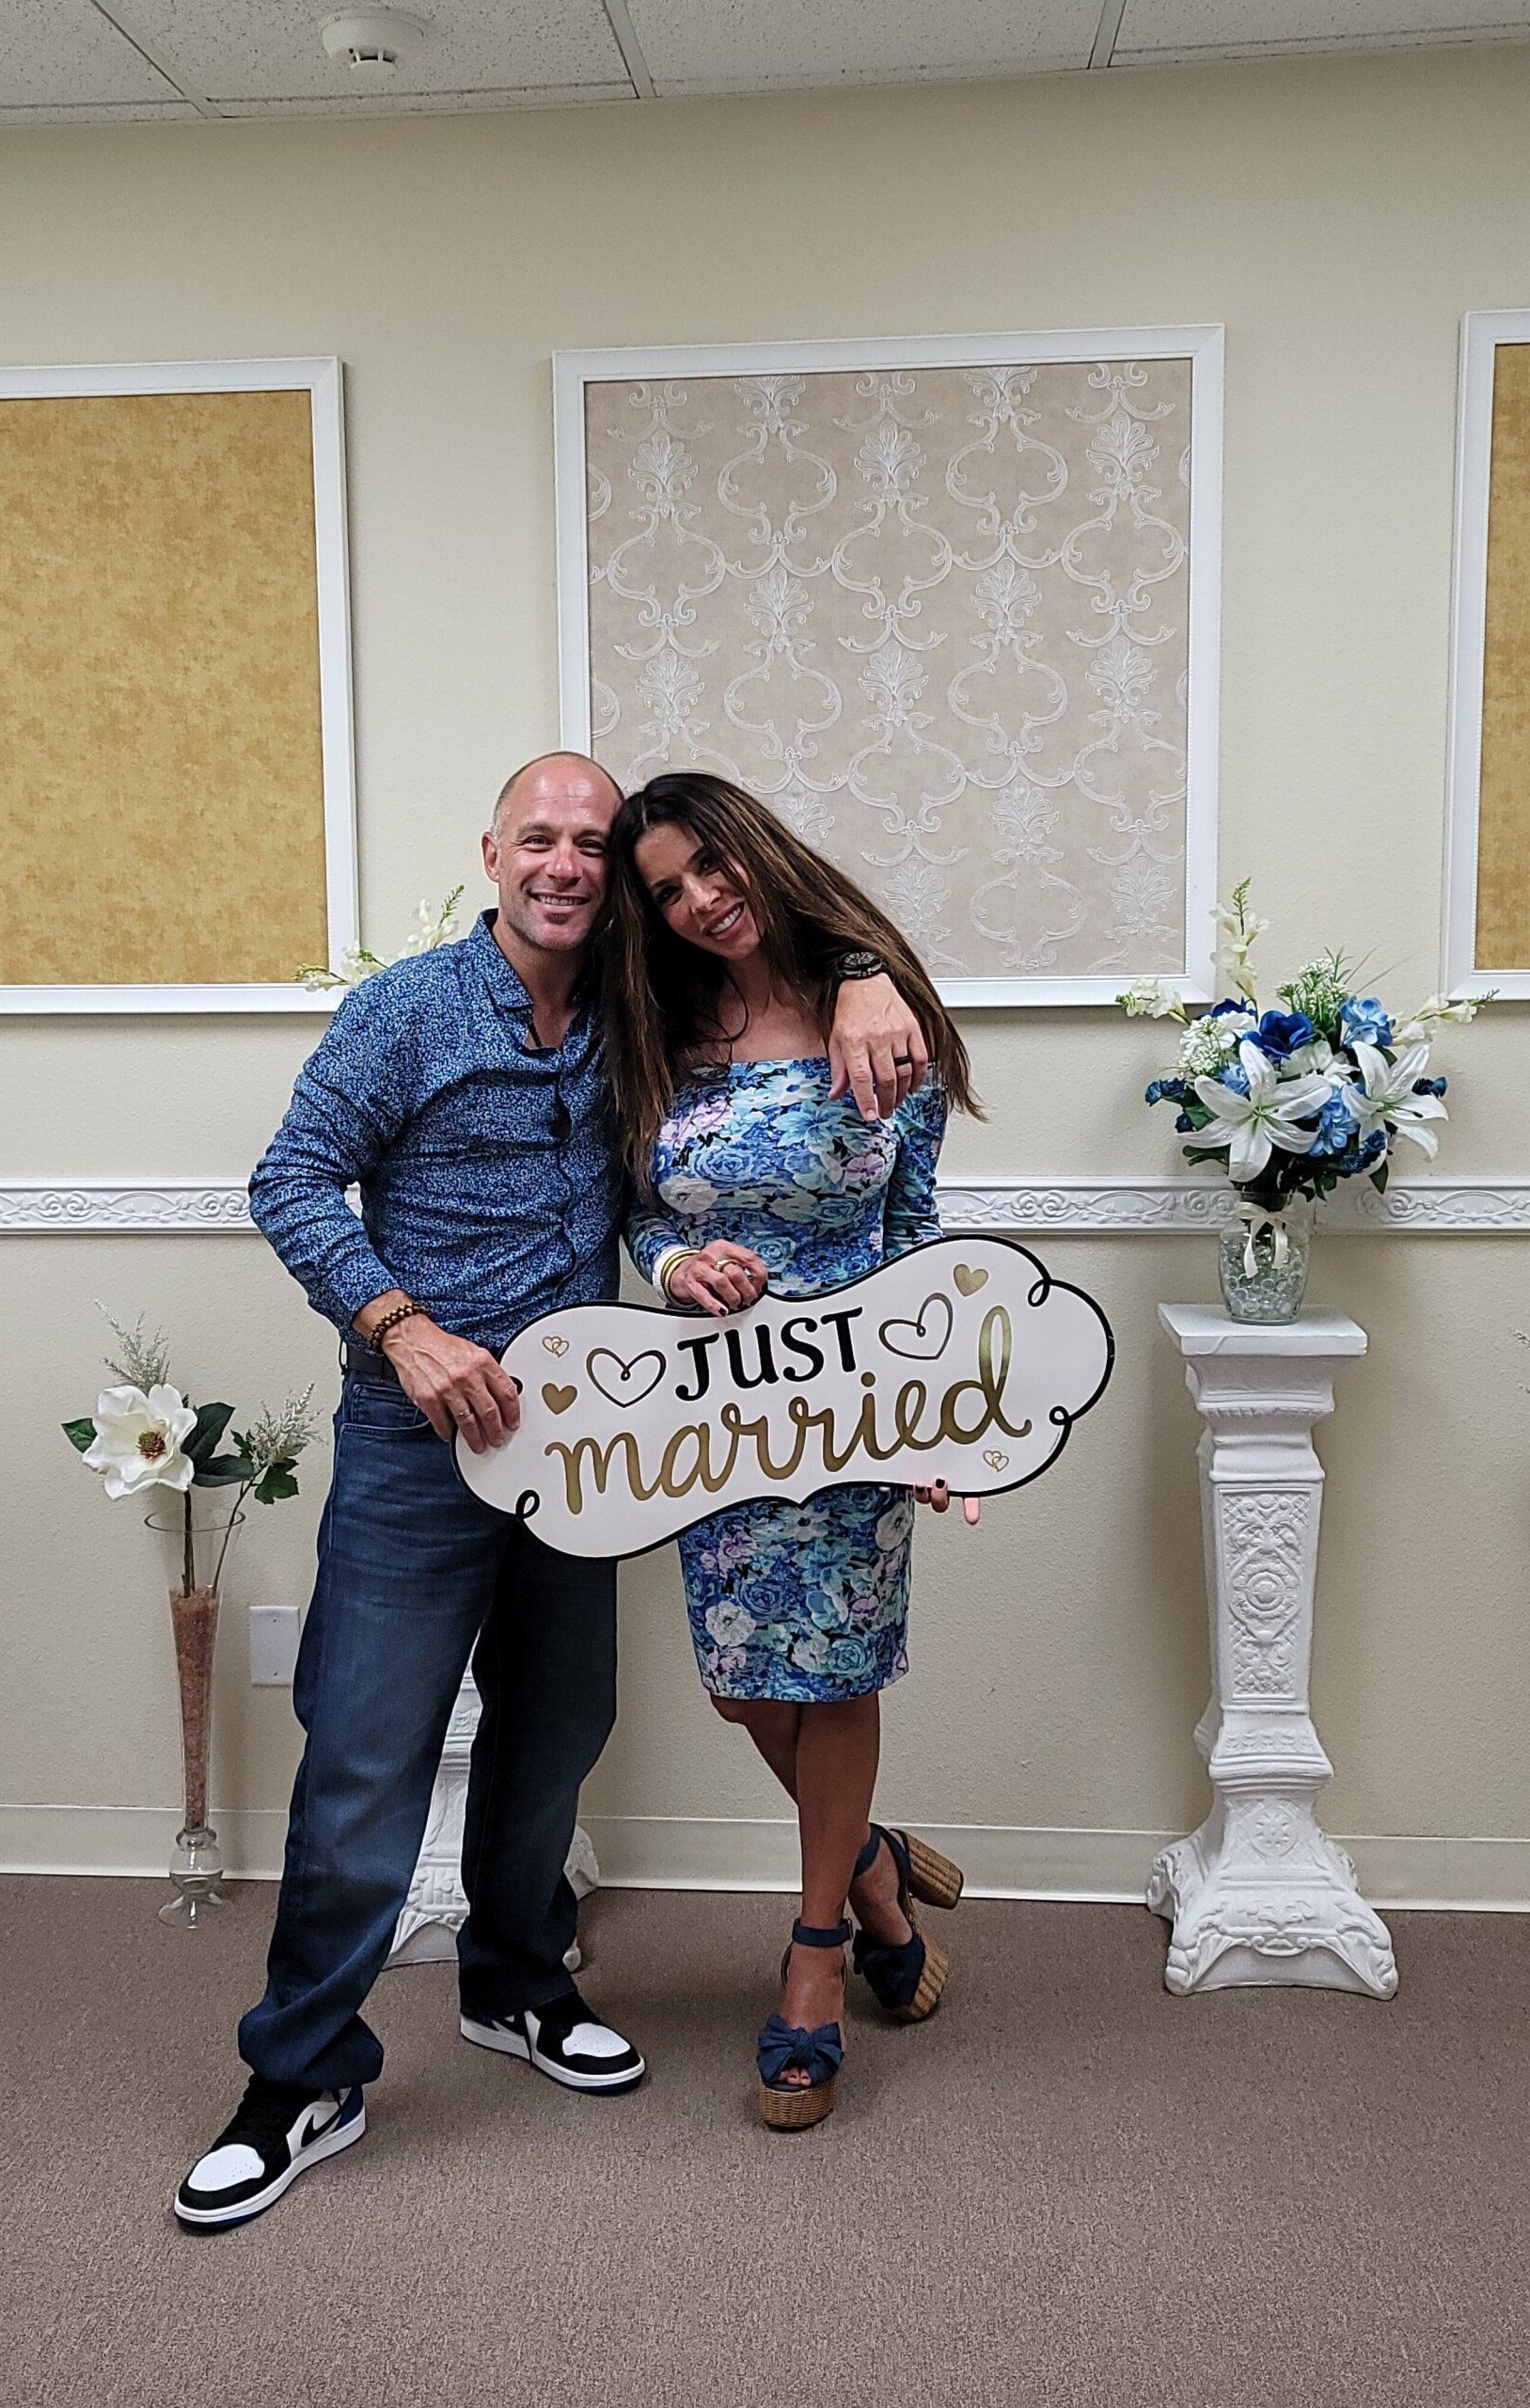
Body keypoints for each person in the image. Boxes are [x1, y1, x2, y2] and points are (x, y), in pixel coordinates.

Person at [175, 752, 933, 2228]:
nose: (571, 865)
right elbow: (288, 1179)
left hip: (580, 1440)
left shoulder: (641, 1015)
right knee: (365, 1756)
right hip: (418, 1442)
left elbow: (748, 986)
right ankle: (299, 2075)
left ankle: (517, 1983)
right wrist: (402, 1328)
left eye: (595, 845)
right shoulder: (407, 1009)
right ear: (493, 853)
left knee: (556, 1731)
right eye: (545, 838)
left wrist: (860, 972)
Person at [599, 770, 982, 2132]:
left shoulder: (877, 1016)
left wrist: (931, 1413)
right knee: (744, 1683)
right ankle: (875, 1869)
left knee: (836, 1671)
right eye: (669, 890)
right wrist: (673, 1259)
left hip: (857, 1399)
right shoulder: (654, 1027)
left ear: (755, 849)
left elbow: (918, 1231)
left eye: (713, 866)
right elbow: (635, 1216)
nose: (703, 901)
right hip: (721, 1408)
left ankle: (817, 1956)